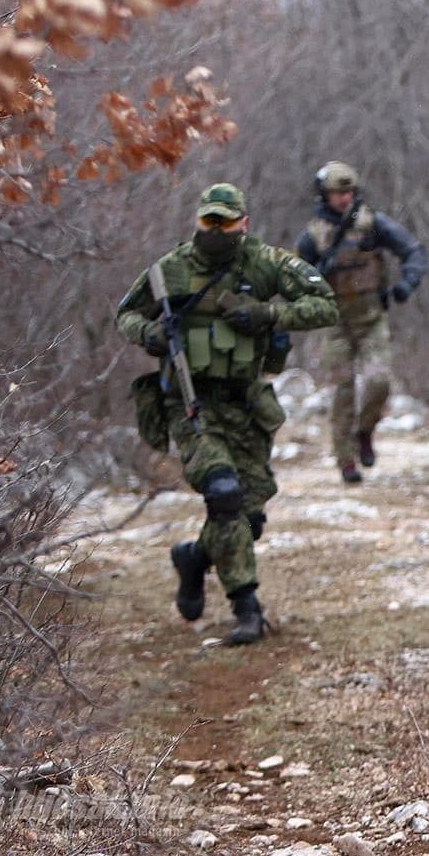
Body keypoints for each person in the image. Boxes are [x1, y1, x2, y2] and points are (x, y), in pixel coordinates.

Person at [117, 183, 338, 645]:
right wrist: (152, 334)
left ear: (244, 224)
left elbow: (324, 306)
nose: (216, 231)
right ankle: (247, 608)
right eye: (208, 222)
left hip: (246, 404)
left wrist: (266, 315)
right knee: (222, 492)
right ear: (197, 222)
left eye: (226, 222)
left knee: (247, 518)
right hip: (190, 403)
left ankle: (195, 558)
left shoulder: (266, 264)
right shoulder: (170, 271)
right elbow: (126, 315)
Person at [296, 161, 427, 483]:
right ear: (324, 196)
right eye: (336, 193)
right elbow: (295, 277)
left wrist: (406, 284)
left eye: (348, 192)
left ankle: (364, 430)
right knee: (342, 392)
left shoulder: (372, 225)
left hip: (371, 318)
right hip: (335, 322)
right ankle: (346, 461)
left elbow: (412, 250)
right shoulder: (313, 236)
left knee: (379, 381)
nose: (343, 199)